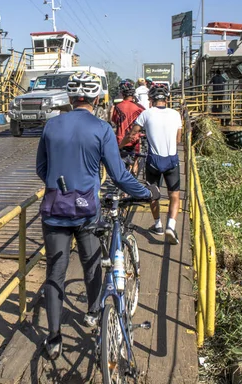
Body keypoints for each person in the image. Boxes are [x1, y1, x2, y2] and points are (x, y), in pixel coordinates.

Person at [36, 71, 160, 360]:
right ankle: (93, 314)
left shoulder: (51, 126)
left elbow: (41, 169)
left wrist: (59, 185)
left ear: (69, 97)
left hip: (54, 210)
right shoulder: (102, 129)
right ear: (96, 98)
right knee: (91, 264)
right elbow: (118, 175)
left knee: (55, 272)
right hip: (86, 210)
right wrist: (146, 192)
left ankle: (53, 339)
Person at [120, 85, 182, 245]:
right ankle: (171, 226)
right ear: (166, 99)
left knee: (153, 194)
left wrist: (119, 145)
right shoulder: (176, 114)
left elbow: (132, 134)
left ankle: (158, 225)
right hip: (172, 160)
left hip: (153, 161)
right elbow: (178, 140)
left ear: (151, 100)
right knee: (174, 196)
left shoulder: (145, 114)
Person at [111, 79, 145, 174]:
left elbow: (114, 120)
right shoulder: (139, 107)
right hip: (134, 140)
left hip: (121, 140)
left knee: (121, 167)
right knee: (135, 158)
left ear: (122, 93)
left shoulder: (118, 106)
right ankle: (134, 166)